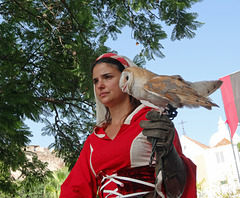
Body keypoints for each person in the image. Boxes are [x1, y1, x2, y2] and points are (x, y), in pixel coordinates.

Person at [60, 53, 197, 198]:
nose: (100, 85)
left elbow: (179, 183)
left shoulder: (153, 120)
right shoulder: (94, 140)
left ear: (127, 79)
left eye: (107, 77)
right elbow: (75, 188)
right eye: (95, 81)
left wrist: (169, 154)